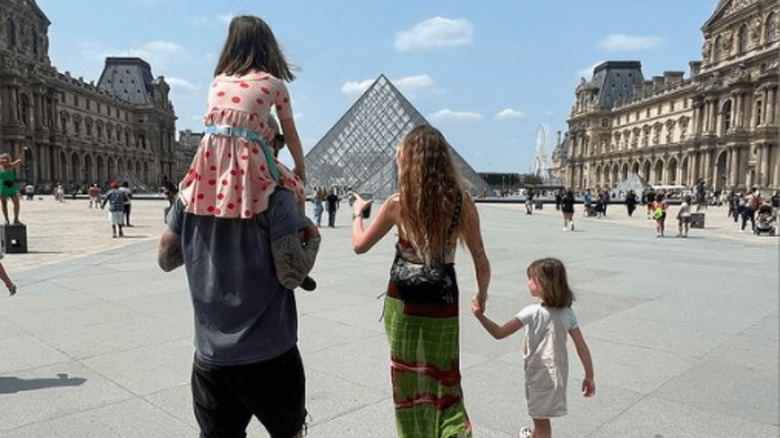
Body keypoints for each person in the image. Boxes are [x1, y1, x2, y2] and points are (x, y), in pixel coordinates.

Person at [351, 125, 491, 438]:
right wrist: (482, 295)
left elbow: (359, 245)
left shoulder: (397, 203)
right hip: (443, 298)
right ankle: (455, 430)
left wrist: (357, 214)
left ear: (408, 160)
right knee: (445, 377)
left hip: (402, 299)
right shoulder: (462, 203)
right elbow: (481, 258)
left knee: (407, 377)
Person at [177, 14, 307, 220]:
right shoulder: (275, 84)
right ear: (269, 47)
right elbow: (290, 135)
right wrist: (300, 169)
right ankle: (293, 246)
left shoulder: (217, 82)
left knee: (182, 202)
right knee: (297, 193)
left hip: (209, 163)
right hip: (249, 160)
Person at [472, 258, 595, 438]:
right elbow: (582, 347)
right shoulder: (568, 312)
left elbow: (499, 332)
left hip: (539, 374)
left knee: (541, 418)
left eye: (532, 278)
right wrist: (589, 375)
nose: (528, 282)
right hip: (558, 374)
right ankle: (532, 435)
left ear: (544, 284)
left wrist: (479, 316)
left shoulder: (532, 312)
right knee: (539, 413)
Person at [0, 152, 24, 225]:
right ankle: (6, 220)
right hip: (3, 187)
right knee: (4, 204)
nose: (5, 161)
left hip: (11, 187)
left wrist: (21, 154)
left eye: (7, 160)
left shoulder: (11, 166)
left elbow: (19, 161)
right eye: (3, 160)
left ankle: (16, 218)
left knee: (16, 202)